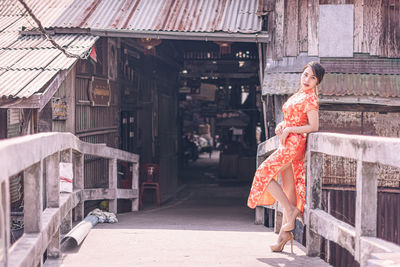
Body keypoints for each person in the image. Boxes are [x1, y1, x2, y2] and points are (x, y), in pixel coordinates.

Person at [247, 61, 325, 252]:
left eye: (313, 77)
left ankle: (290, 211)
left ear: (317, 82)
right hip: (286, 143)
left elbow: (313, 127)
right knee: (289, 188)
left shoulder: (310, 99)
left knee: (263, 173)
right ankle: (284, 235)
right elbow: (292, 118)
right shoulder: (298, 95)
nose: (307, 79)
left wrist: (290, 128)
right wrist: (282, 125)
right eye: (306, 74)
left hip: (294, 146)